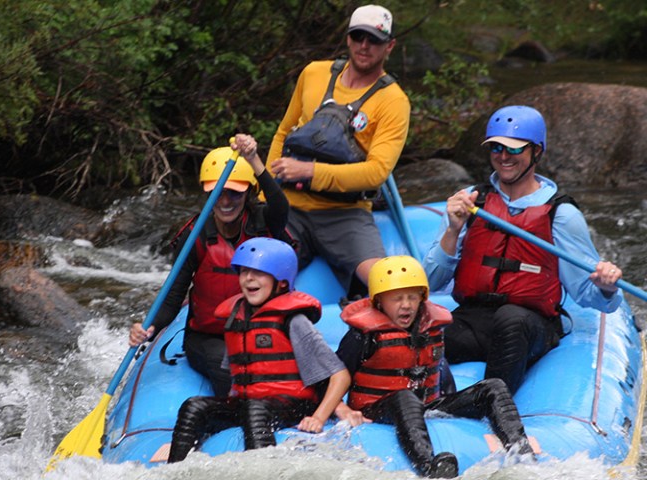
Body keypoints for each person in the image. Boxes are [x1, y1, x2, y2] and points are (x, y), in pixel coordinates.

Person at [422, 105, 624, 394]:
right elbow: (430, 282)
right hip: (475, 319)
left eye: (514, 150)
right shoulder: (471, 202)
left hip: (531, 324)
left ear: (536, 152)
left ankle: (490, 401)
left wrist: (606, 288)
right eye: (496, 148)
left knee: (511, 319)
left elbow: (588, 295)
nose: (503, 157)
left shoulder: (562, 214)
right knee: (420, 336)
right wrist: (453, 231)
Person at [335, 256, 534, 478]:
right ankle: (428, 466)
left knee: (493, 387)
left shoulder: (431, 327)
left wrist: (456, 403)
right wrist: (341, 409)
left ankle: (521, 450)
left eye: (412, 297)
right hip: (377, 408)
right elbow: (334, 375)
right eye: (397, 298)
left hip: (427, 405)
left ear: (422, 298)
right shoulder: (362, 336)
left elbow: (440, 370)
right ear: (379, 301)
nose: (406, 305)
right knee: (405, 398)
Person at [128, 134, 290, 397]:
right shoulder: (196, 235)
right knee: (231, 368)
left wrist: (254, 161)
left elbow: (280, 205)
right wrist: (148, 328)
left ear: (248, 192)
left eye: (233, 194)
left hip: (261, 329)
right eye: (217, 193)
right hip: (209, 338)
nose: (225, 202)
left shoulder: (264, 221)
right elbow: (174, 293)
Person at [265, 4, 410, 296]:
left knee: (387, 286)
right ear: (348, 38)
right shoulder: (314, 73)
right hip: (290, 208)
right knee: (249, 270)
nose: (364, 46)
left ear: (389, 46)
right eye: (358, 37)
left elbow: (376, 173)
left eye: (374, 40)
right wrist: (266, 195)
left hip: (345, 214)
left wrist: (310, 171)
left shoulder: (394, 101)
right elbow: (284, 132)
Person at [167, 237, 350, 462]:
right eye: (244, 272)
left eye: (259, 273)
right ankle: (175, 468)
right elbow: (235, 377)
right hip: (250, 403)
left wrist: (319, 418)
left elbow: (340, 376)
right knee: (193, 406)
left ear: (281, 282)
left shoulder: (294, 320)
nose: (249, 278)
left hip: (292, 405)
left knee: (255, 409)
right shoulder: (236, 316)